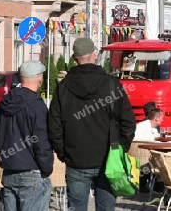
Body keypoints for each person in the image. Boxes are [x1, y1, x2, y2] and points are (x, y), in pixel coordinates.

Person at [49, 37, 136, 211]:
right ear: (94, 55)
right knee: (106, 208)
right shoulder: (112, 85)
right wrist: (121, 148)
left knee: (76, 207)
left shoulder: (63, 87)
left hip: (76, 158)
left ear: (75, 58)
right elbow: (128, 122)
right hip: (108, 159)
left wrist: (63, 152)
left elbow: (54, 126)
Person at [0, 60, 53, 210]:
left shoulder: (4, 103)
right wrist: (46, 169)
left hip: (9, 171)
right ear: (40, 79)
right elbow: (42, 141)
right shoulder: (37, 105)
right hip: (31, 171)